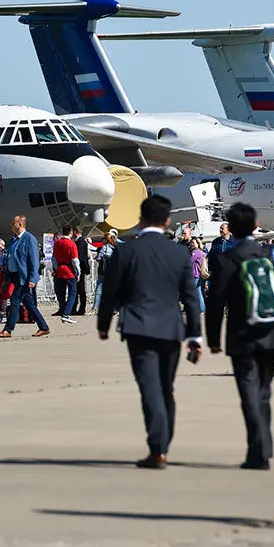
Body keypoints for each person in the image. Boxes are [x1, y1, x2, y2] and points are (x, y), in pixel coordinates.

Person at [96, 195, 203, 469]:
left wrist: (103, 324)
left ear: (140, 219)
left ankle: (158, 448)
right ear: (168, 222)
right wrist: (195, 336)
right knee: (166, 388)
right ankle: (163, 445)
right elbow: (190, 298)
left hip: (138, 327)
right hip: (170, 328)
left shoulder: (126, 251)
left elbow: (110, 292)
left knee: (150, 388)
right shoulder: (179, 253)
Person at [205, 202, 274, 470]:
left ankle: (258, 452)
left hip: (242, 337)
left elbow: (215, 303)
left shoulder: (227, 260)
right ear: (256, 224)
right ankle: (266, 445)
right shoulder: (271, 255)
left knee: (249, 393)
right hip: (271, 334)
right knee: (264, 391)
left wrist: (213, 339)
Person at [0, 215, 51, 338]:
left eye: (13, 223)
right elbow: (9, 255)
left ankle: (8, 329)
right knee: (29, 303)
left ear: (20, 225)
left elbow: (34, 260)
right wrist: (6, 276)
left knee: (15, 300)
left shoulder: (29, 239)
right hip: (14, 275)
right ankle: (43, 327)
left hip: (23, 276)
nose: (11, 225)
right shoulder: (14, 240)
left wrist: (33, 278)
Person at [51, 228, 80, 324]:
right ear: (71, 233)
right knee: (72, 293)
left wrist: (55, 269)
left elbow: (54, 259)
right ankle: (66, 314)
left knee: (61, 293)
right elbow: (75, 260)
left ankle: (63, 309)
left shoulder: (57, 243)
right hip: (69, 271)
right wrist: (78, 272)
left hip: (60, 270)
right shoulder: (72, 244)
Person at [94, 229, 117, 312]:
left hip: (103, 271)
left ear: (106, 239)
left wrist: (97, 257)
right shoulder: (116, 247)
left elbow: (99, 258)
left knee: (99, 290)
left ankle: (95, 308)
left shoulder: (104, 247)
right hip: (112, 271)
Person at [72, 226, 91, 315]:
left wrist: (79, 268)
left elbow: (81, 256)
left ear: (75, 232)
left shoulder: (80, 241)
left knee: (80, 289)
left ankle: (81, 308)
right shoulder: (79, 241)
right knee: (78, 289)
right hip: (80, 267)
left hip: (80, 268)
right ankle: (76, 307)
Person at [188, 238, 207, 313]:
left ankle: (201, 309)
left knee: (196, 292)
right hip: (199, 275)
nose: (191, 244)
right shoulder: (201, 252)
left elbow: (189, 261)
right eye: (191, 243)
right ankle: (202, 309)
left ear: (198, 244)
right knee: (198, 291)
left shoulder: (196, 252)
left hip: (195, 275)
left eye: (193, 243)